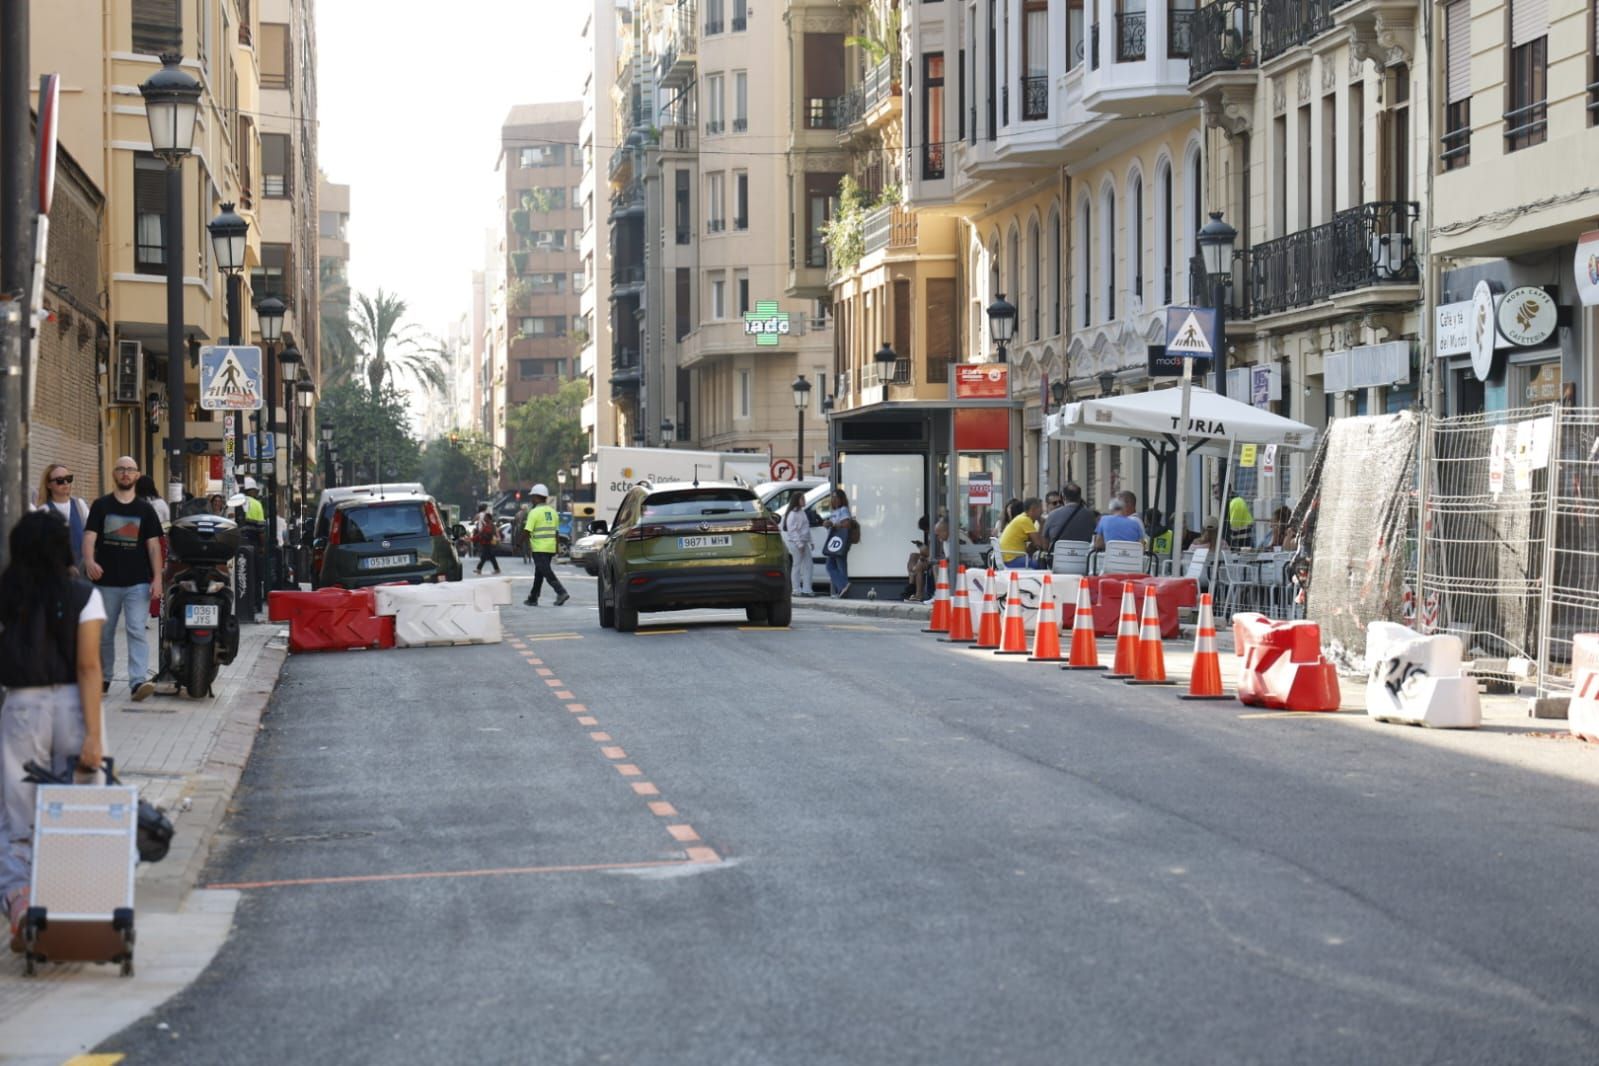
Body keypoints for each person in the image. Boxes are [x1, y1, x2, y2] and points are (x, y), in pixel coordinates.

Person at [0, 512, 107, 952]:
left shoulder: (6, 594)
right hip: (72, 706)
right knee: (79, 807)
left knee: (18, 818)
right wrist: (94, 736)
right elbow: (88, 667)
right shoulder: (85, 595)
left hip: (21, 706)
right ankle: (73, 904)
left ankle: (22, 903)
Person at [81, 457, 162, 702]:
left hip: (137, 582)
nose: (125, 474)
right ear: (115, 474)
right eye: (121, 469)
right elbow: (89, 537)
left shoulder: (145, 510)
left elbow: (154, 547)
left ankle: (137, 682)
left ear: (137, 475)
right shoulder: (101, 505)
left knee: (136, 629)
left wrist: (157, 578)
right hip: (106, 583)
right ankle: (104, 678)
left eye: (130, 470)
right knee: (104, 634)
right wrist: (89, 561)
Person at [32, 463, 91, 567]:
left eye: (68, 478)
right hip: (55, 572)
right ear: (48, 485)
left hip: (82, 571)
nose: (65, 483)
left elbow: (91, 533)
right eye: (59, 480)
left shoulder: (79, 505)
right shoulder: (44, 511)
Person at [522, 484, 569, 607]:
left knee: (546, 572)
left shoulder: (534, 512)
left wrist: (518, 545)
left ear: (538, 497)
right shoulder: (553, 512)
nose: (531, 499)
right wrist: (556, 548)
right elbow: (556, 532)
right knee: (539, 573)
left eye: (533, 497)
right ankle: (533, 598)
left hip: (539, 548)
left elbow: (527, 531)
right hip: (549, 548)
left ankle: (561, 592)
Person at [996, 497, 1047, 568]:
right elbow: (1039, 544)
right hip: (1012, 560)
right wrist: (1042, 524)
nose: (1042, 512)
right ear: (1033, 509)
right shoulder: (1025, 520)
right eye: (1040, 509)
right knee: (1041, 565)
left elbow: (1033, 543)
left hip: (1007, 558)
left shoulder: (1022, 517)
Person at [822, 487, 853, 598]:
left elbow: (847, 524)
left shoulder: (843, 509)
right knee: (831, 565)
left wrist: (834, 525)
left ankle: (843, 587)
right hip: (834, 542)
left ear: (841, 499)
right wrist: (827, 524)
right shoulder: (834, 511)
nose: (833, 499)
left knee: (839, 565)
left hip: (840, 541)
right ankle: (842, 588)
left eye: (836, 497)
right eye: (832, 497)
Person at [782, 494, 814, 598]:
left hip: (804, 542)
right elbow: (792, 531)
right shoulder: (792, 514)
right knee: (797, 565)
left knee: (808, 565)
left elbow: (806, 528)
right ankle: (796, 590)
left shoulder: (802, 512)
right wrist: (799, 544)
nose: (804, 500)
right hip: (796, 543)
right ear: (796, 500)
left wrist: (810, 541)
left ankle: (807, 589)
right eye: (802, 498)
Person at [473, 504, 502, 575]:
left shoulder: (487, 523)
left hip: (486, 540)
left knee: (485, 555)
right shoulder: (489, 523)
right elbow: (495, 530)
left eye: (486, 518)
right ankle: (496, 569)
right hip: (486, 539)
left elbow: (473, 521)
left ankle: (479, 569)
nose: (484, 518)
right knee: (489, 556)